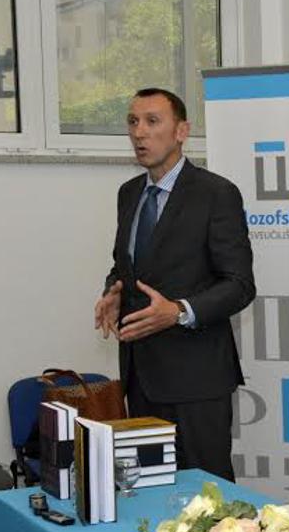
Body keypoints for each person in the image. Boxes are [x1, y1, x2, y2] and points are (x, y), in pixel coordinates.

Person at [94, 87, 255, 482]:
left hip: (196, 379)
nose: (139, 133)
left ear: (182, 131)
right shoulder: (129, 194)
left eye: (152, 121)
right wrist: (114, 292)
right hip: (141, 377)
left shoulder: (216, 194)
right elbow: (125, 266)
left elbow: (239, 284)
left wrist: (179, 311)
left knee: (208, 495)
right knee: (150, 489)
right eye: (133, 122)